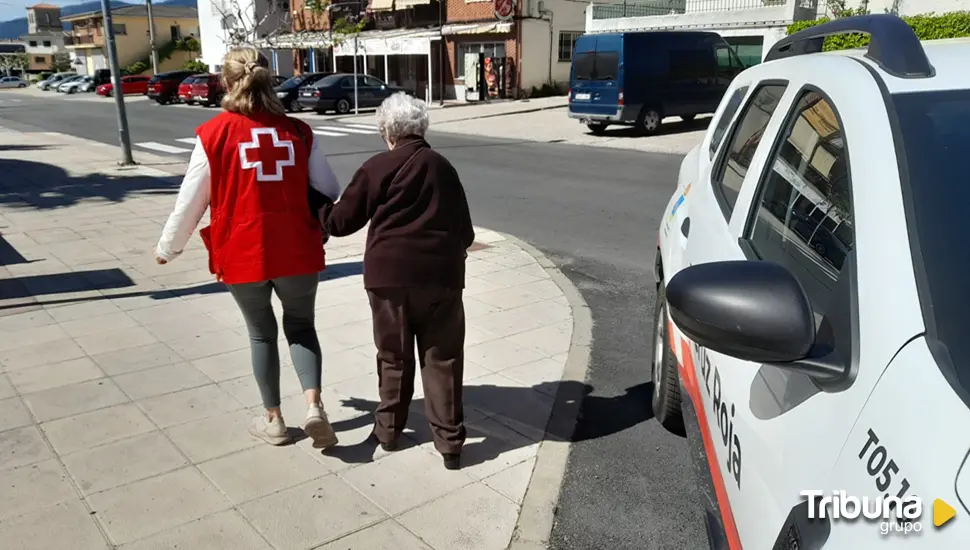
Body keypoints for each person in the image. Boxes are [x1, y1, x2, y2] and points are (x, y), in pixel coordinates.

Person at [154, 47, 342, 450]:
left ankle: (274, 420)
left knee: (262, 336)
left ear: (226, 81)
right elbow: (329, 189)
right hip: (296, 248)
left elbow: (192, 200)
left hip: (243, 251)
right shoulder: (298, 131)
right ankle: (315, 406)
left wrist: (169, 247)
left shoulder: (214, 134)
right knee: (302, 325)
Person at [321, 92, 475, 470]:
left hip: (388, 279)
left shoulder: (378, 167)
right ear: (421, 128)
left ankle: (389, 431)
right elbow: (466, 232)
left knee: (394, 356)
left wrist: (318, 208)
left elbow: (340, 223)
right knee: (443, 358)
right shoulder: (444, 168)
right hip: (442, 280)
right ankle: (450, 445)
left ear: (388, 130)